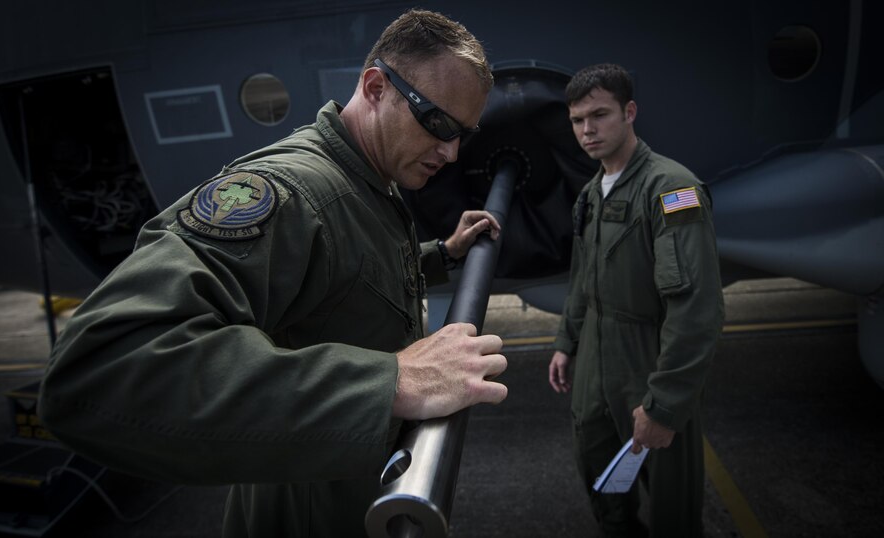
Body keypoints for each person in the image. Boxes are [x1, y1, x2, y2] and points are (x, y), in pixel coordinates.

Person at [39, 10, 508, 537]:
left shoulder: (369, 180)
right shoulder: (291, 192)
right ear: (376, 87)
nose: (451, 152)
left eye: (463, 134)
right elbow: (101, 369)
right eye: (439, 124)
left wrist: (441, 254)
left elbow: (345, 280)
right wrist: (390, 383)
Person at [548, 63, 724, 537]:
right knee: (601, 483)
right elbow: (583, 276)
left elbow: (696, 309)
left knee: (672, 503)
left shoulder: (672, 189)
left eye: (599, 115)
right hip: (593, 360)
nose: (588, 130)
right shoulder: (591, 194)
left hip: (648, 357)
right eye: (577, 120)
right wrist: (567, 342)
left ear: (629, 112)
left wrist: (664, 405)